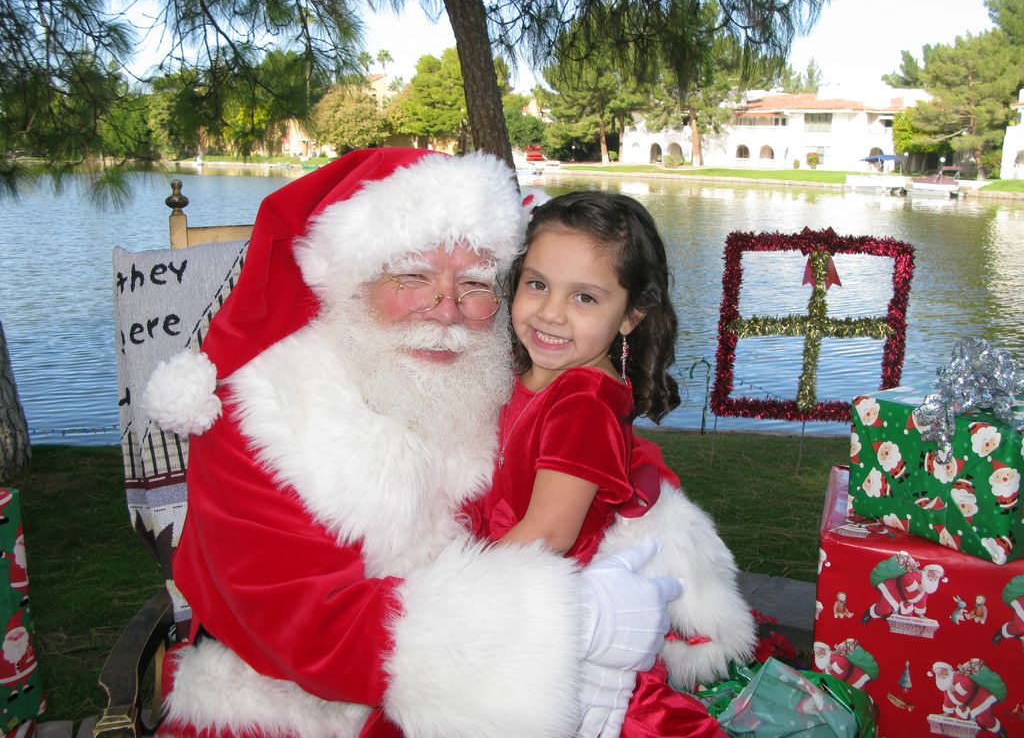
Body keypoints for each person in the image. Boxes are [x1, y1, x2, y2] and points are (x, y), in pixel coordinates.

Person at [144, 147, 752, 738]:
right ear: (353, 279)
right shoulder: (264, 411)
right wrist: (567, 619)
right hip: (288, 705)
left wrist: (666, 554)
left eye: (476, 284)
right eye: (413, 276)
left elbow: (602, 460)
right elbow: (305, 627)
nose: (447, 311)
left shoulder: (485, 371)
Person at [468, 191, 734, 736]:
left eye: (585, 298)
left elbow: (548, 533)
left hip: (559, 618)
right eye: (537, 284)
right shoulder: (536, 378)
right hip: (518, 584)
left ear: (632, 315)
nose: (550, 312)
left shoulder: (583, 402)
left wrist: (457, 594)